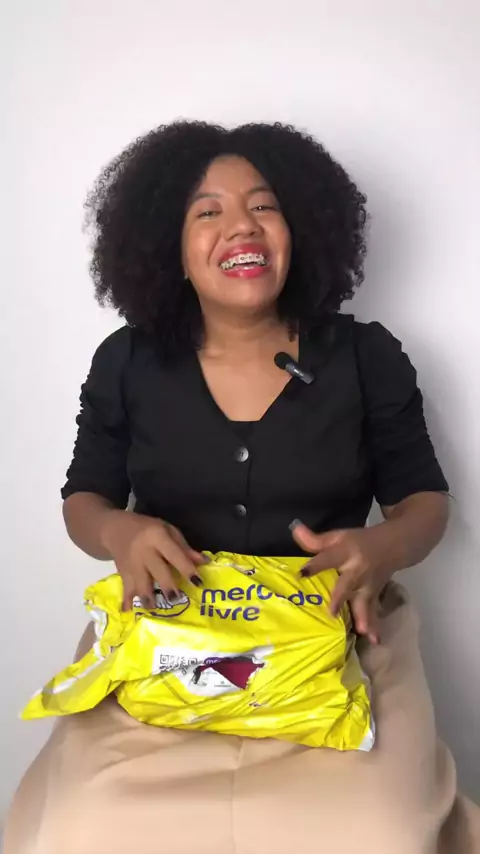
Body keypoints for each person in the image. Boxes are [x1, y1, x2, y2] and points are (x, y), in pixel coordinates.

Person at [5, 121, 479, 854]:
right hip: (170, 636)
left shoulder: (368, 356)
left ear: (301, 231)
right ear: (169, 246)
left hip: (336, 635)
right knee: (80, 829)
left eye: (264, 206)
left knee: (379, 834)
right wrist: (117, 530)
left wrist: (382, 548)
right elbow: (84, 498)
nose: (241, 226)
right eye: (208, 211)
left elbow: (425, 503)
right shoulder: (125, 362)